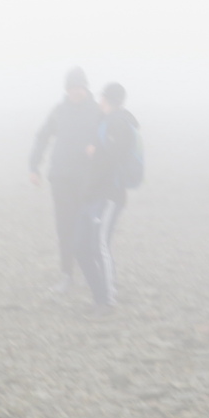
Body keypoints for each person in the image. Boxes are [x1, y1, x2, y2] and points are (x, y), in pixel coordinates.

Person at [29, 67, 101, 294]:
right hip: (60, 177)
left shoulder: (98, 111)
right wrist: (34, 166)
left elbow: (112, 139)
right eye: (72, 87)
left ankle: (96, 273)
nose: (76, 91)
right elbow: (42, 136)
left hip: (88, 179)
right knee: (64, 227)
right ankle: (67, 275)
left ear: (86, 87)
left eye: (79, 87)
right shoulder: (59, 111)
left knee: (90, 226)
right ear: (67, 89)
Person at [76, 82, 139, 319]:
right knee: (80, 246)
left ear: (107, 99)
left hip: (110, 196)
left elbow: (114, 157)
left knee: (99, 246)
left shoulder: (119, 123)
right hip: (93, 195)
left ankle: (107, 301)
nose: (100, 101)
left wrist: (95, 152)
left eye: (102, 97)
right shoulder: (106, 122)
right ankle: (99, 297)